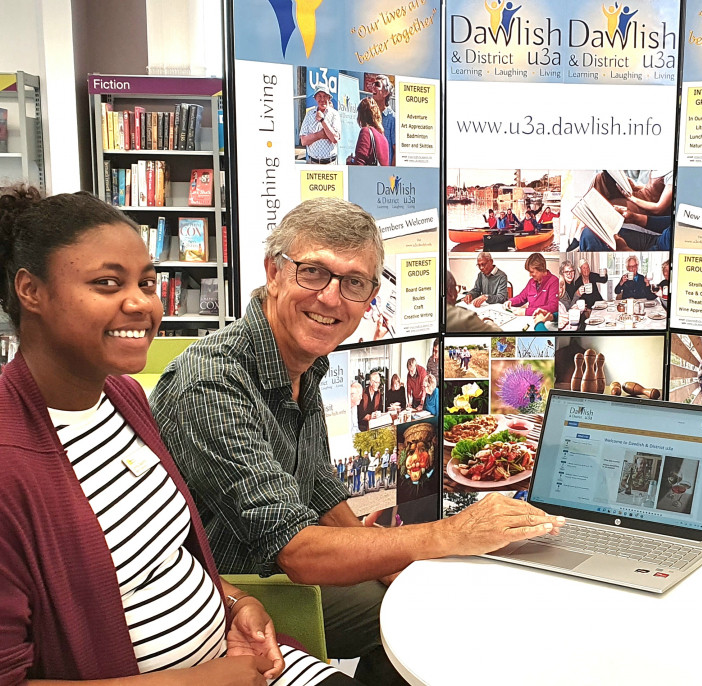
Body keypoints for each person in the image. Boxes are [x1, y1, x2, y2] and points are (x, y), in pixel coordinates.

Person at [150, 197, 562, 684]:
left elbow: (320, 488)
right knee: (433, 618)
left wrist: (390, 557)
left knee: (423, 596)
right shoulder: (212, 380)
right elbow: (295, 551)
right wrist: (447, 535)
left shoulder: (302, 361)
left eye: (353, 283)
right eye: (313, 273)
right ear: (272, 271)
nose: (331, 298)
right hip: (236, 597)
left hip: (277, 573)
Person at [0, 185, 353, 685]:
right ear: (30, 291)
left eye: (147, 283)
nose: (140, 304)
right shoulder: (11, 460)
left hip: (243, 655)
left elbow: (169, 551)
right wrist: (204, 681)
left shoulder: (122, 400)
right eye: (107, 283)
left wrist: (236, 602)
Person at [578, 170, 673, 252]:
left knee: (589, 235)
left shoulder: (673, 173)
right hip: (660, 237)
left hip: (657, 241)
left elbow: (659, 208)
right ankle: (580, 230)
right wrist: (634, 218)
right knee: (600, 178)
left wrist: (625, 249)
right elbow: (668, 222)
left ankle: (579, 237)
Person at [299, 84, 341, 164]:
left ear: (329, 98)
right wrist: (320, 135)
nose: (322, 99)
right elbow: (303, 141)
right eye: (319, 96)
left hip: (330, 163)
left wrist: (322, 120)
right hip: (312, 163)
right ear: (315, 98)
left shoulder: (335, 114)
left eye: (325, 96)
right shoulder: (309, 114)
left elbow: (335, 138)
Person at [346, 97, 389, 166]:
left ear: (361, 116)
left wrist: (350, 161)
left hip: (368, 175)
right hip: (381, 176)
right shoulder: (383, 137)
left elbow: (359, 165)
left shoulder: (366, 132)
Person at [370, 74, 396, 166]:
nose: (373, 87)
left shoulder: (392, 118)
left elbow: (396, 151)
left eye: (377, 84)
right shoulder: (370, 115)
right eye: (373, 84)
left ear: (386, 92)